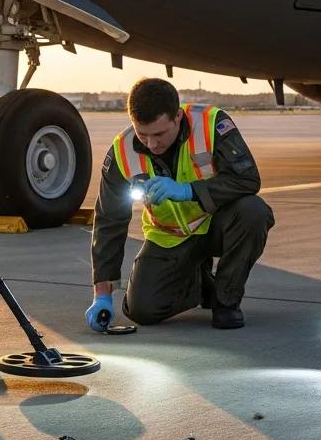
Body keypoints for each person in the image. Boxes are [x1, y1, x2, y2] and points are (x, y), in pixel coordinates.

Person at [86, 79, 274, 330]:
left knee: (254, 212)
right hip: (169, 237)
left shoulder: (211, 124)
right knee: (142, 311)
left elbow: (247, 179)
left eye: (159, 134)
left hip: (216, 226)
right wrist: (102, 294)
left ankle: (225, 300)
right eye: (143, 134)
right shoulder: (121, 152)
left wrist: (189, 191)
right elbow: (109, 221)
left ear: (177, 117)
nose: (151, 144)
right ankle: (200, 281)